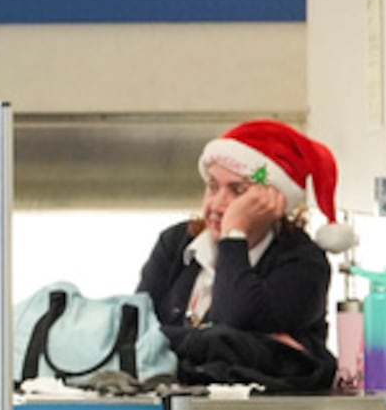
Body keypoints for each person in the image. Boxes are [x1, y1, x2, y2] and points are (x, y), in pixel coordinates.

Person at [137, 119, 354, 345]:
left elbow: (234, 320)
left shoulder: (303, 263)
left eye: (238, 191)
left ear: (273, 201)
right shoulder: (176, 242)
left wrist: (234, 235)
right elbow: (133, 332)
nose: (217, 204)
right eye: (212, 186)